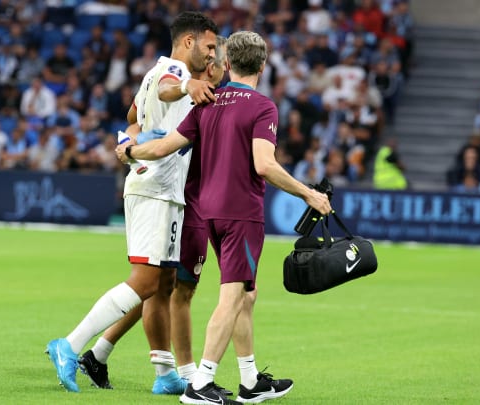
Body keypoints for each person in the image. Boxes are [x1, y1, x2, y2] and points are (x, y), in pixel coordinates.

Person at [116, 31, 332, 405]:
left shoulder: (209, 102)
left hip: (208, 211)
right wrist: (309, 194)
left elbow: (164, 146)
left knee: (246, 293)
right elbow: (264, 165)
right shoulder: (262, 107)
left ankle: (250, 380)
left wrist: (130, 151)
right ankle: (201, 383)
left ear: (228, 63)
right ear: (263, 66)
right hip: (241, 212)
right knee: (232, 297)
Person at [45, 11, 219, 394]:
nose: (212, 54)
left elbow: (132, 115)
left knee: (164, 283)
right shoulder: (174, 72)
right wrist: (187, 86)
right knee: (145, 280)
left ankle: (165, 373)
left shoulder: (153, 72)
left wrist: (130, 138)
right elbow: (168, 90)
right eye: (208, 46)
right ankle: (69, 345)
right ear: (188, 41)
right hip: (155, 187)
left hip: (166, 190)